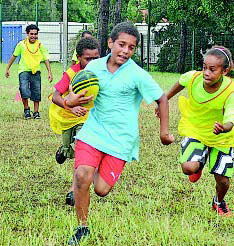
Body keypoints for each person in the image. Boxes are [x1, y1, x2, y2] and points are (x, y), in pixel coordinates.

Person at [65, 22, 174, 245]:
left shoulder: (136, 74)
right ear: (110, 43)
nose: (125, 50)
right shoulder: (94, 67)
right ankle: (82, 227)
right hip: (93, 133)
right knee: (82, 176)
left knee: (101, 190)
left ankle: (89, 174)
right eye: (121, 44)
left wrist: (164, 132)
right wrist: (70, 100)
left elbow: (162, 98)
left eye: (131, 47)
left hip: (122, 140)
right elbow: (73, 91)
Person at [162, 45, 233, 216]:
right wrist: (164, 100)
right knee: (188, 168)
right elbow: (180, 82)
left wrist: (224, 127)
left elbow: (230, 120)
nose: (206, 73)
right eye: (204, 67)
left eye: (212, 69)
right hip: (195, 130)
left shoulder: (231, 91)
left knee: (223, 181)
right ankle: (199, 162)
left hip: (223, 138)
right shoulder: (194, 78)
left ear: (224, 72)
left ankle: (218, 201)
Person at [49, 37, 100, 206]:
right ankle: (63, 151)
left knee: (81, 150)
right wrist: (70, 107)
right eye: (88, 59)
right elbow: (55, 96)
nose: (92, 62)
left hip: (87, 119)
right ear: (79, 58)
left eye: (95, 58)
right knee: (68, 149)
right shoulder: (71, 73)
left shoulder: (100, 73)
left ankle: (73, 190)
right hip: (68, 116)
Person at [5, 24, 53, 119]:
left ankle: (36, 112)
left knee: (36, 91)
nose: (33, 36)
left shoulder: (40, 45)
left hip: (36, 72)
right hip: (23, 71)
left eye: (35, 34)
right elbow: (14, 56)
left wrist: (49, 72)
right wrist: (7, 68)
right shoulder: (21, 44)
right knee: (24, 90)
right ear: (27, 34)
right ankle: (26, 110)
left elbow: (46, 59)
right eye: (31, 34)